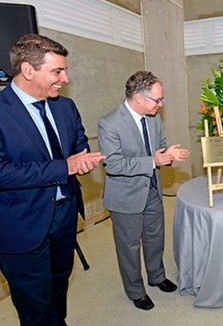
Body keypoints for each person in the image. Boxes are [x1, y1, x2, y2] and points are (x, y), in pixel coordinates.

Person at [0, 34, 105, 325]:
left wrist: (82, 159)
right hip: (20, 225)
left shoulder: (65, 107)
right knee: (35, 304)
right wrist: (64, 168)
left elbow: (78, 144)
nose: (65, 78)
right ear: (28, 70)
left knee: (58, 288)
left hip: (65, 215)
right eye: (57, 71)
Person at [98, 71, 189, 310]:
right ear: (138, 97)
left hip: (152, 189)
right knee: (129, 247)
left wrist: (168, 155)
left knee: (154, 238)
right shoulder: (109, 123)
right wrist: (152, 161)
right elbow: (114, 164)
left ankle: (157, 276)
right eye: (157, 100)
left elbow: (159, 149)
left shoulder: (154, 118)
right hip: (125, 196)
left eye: (161, 100)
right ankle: (135, 290)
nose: (161, 104)